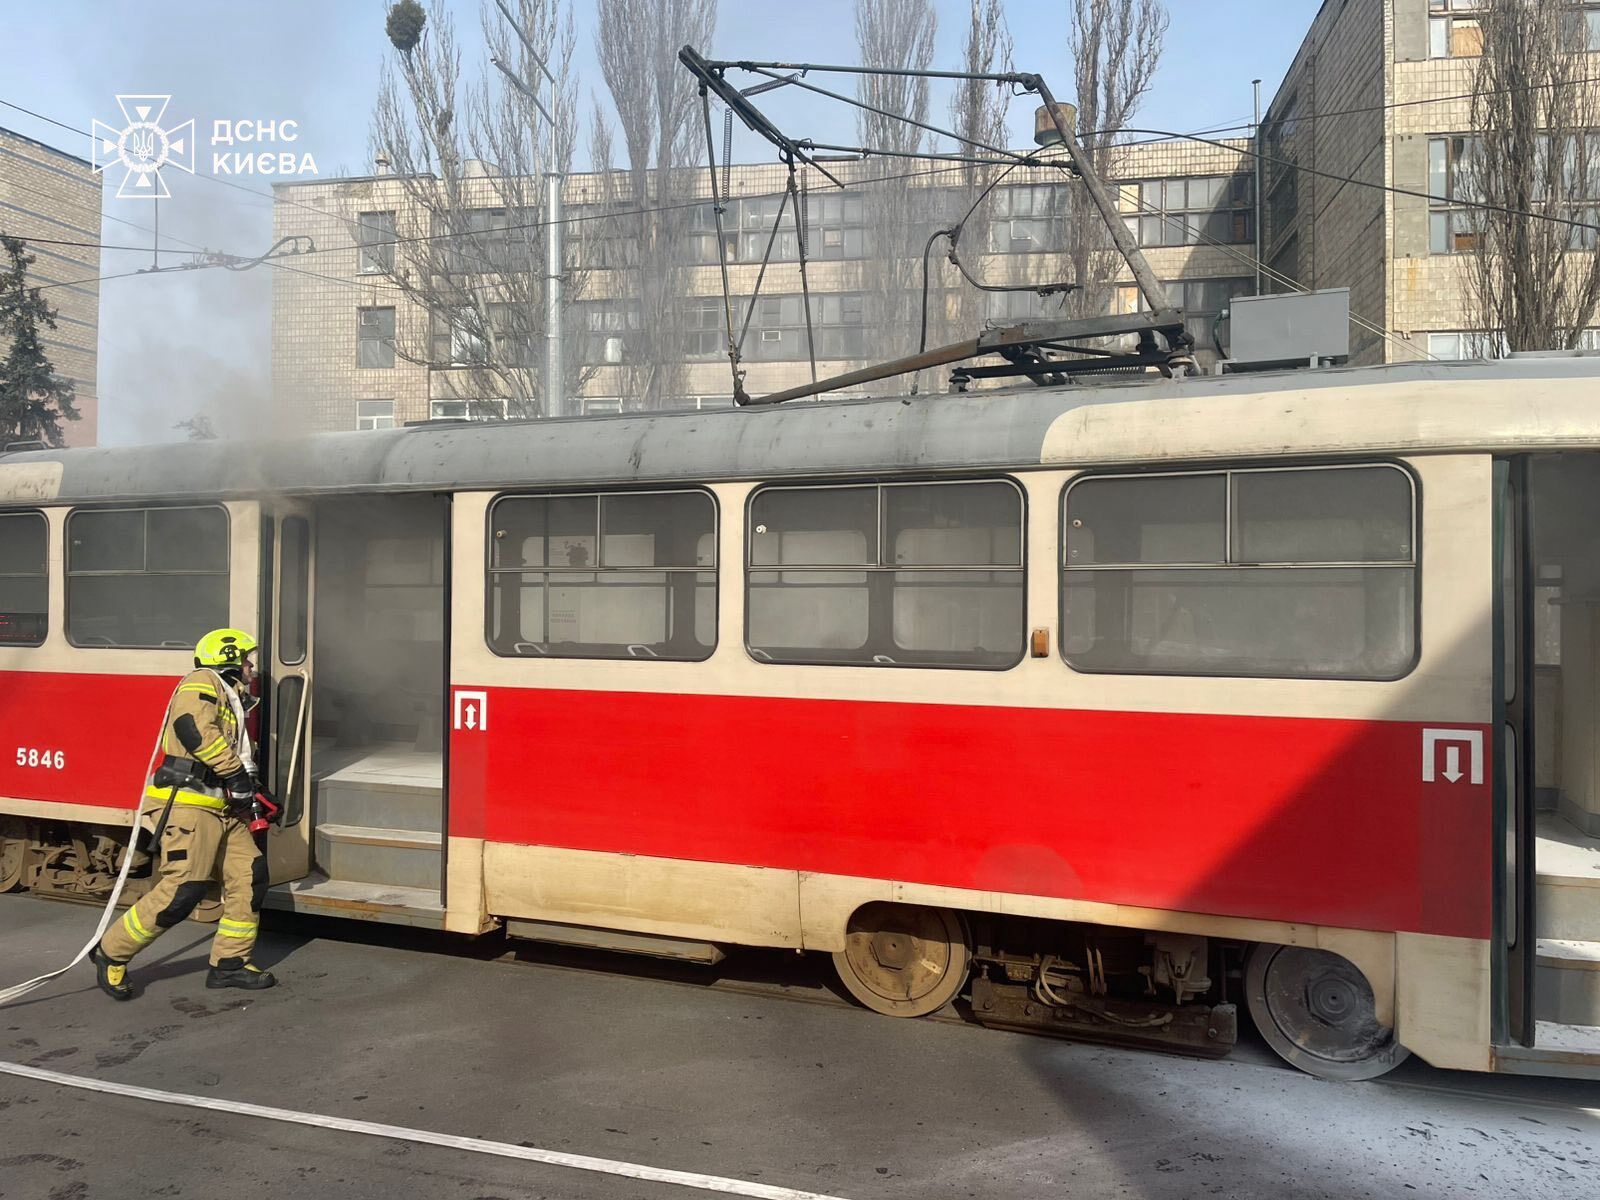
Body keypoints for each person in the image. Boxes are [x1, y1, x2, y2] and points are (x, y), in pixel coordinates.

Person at [91, 628, 278, 999]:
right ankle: (111, 952)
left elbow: (237, 754)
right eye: (246, 660)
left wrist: (258, 792)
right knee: (184, 889)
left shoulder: (234, 698)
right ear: (226, 658)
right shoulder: (200, 681)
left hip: (225, 808)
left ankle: (230, 964)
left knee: (250, 878)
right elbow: (194, 731)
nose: (251, 667)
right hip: (190, 804)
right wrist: (237, 777)